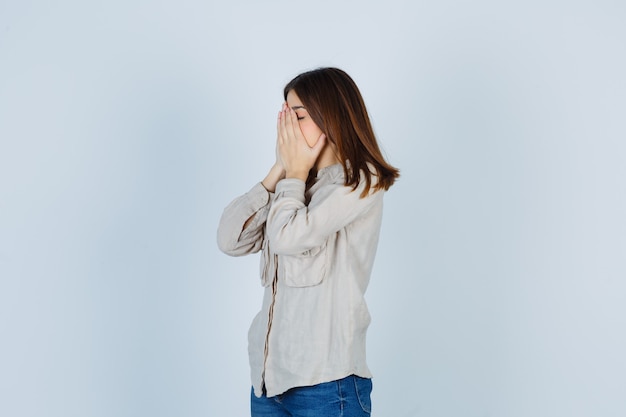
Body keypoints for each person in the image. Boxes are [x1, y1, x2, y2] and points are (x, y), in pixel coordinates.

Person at [217, 67, 399, 416]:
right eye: (285, 115)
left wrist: (295, 175)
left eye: (298, 115)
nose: (287, 127)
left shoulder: (360, 183)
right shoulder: (294, 186)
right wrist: (279, 171)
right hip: (269, 383)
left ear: (331, 117)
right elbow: (229, 239)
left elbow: (288, 236)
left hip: (328, 387)